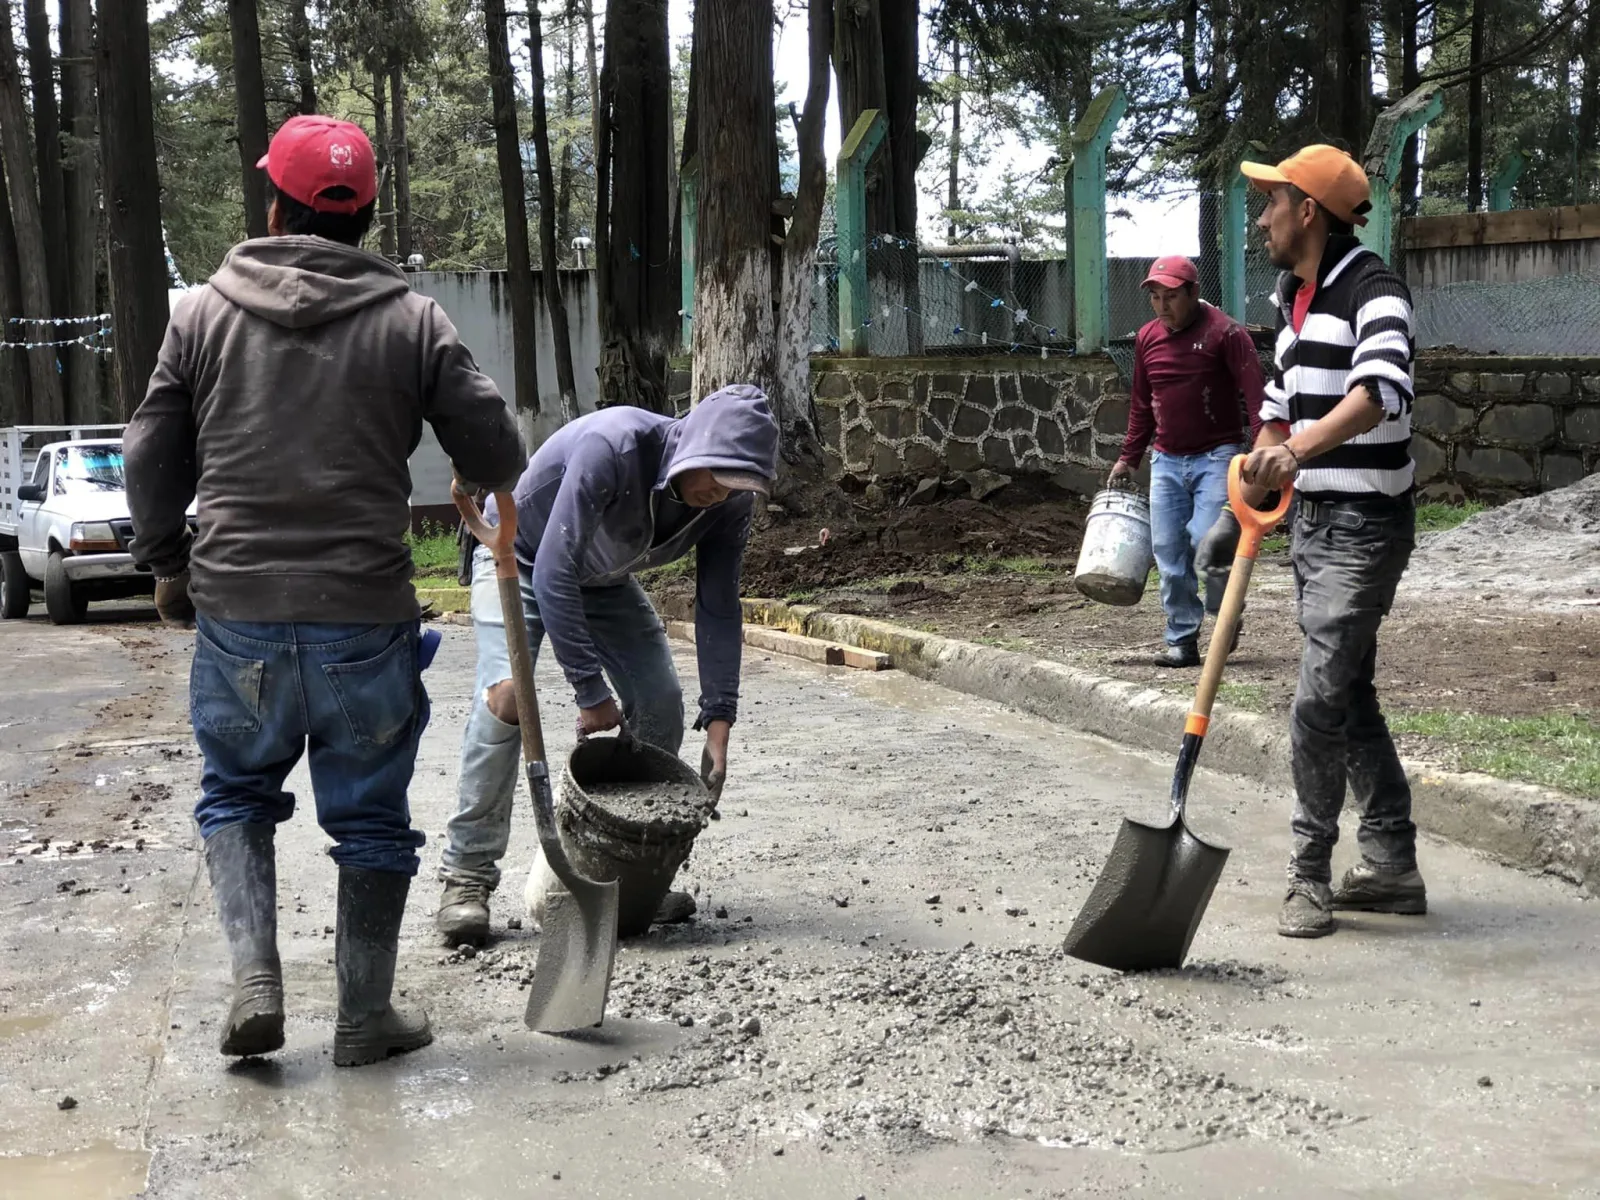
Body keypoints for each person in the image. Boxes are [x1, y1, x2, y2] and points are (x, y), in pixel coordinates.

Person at [125, 115, 525, 1063]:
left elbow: (149, 450)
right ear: (366, 215)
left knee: (235, 794)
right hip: (364, 614)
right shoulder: (412, 319)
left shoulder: (203, 314)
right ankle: (362, 1015)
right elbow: (499, 451)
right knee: (372, 816)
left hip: (239, 612)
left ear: (275, 204)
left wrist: (168, 565)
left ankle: (257, 977)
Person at [435, 386, 780, 946]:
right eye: (714, 480)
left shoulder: (728, 502)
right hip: (520, 558)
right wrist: (590, 691)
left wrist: (720, 721)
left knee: (660, 701)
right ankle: (466, 879)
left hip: (602, 579)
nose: (718, 496)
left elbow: (719, 604)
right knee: (506, 699)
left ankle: (627, 877)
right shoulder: (614, 446)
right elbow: (551, 570)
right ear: (694, 447)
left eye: (735, 488)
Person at [1198, 144, 1424, 939]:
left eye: (1271, 203)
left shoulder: (1375, 290)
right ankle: (1392, 862)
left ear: (1308, 212)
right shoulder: (1294, 299)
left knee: (1318, 701)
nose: (1260, 218)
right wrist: (1249, 491)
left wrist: (1297, 450)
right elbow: (1277, 408)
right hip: (1314, 524)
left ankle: (1308, 873)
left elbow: (1378, 393)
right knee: (1349, 691)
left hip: (1366, 526)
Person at [1110, 256, 1265, 667]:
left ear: (1194, 293)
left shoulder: (1227, 333)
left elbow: (1257, 399)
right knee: (1168, 550)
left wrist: (1263, 451)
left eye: (1171, 297)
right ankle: (1181, 639)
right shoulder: (1147, 337)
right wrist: (1129, 457)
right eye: (1156, 297)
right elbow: (1143, 403)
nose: (1163, 306)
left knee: (1205, 540)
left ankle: (1226, 618)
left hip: (1218, 455)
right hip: (1166, 459)